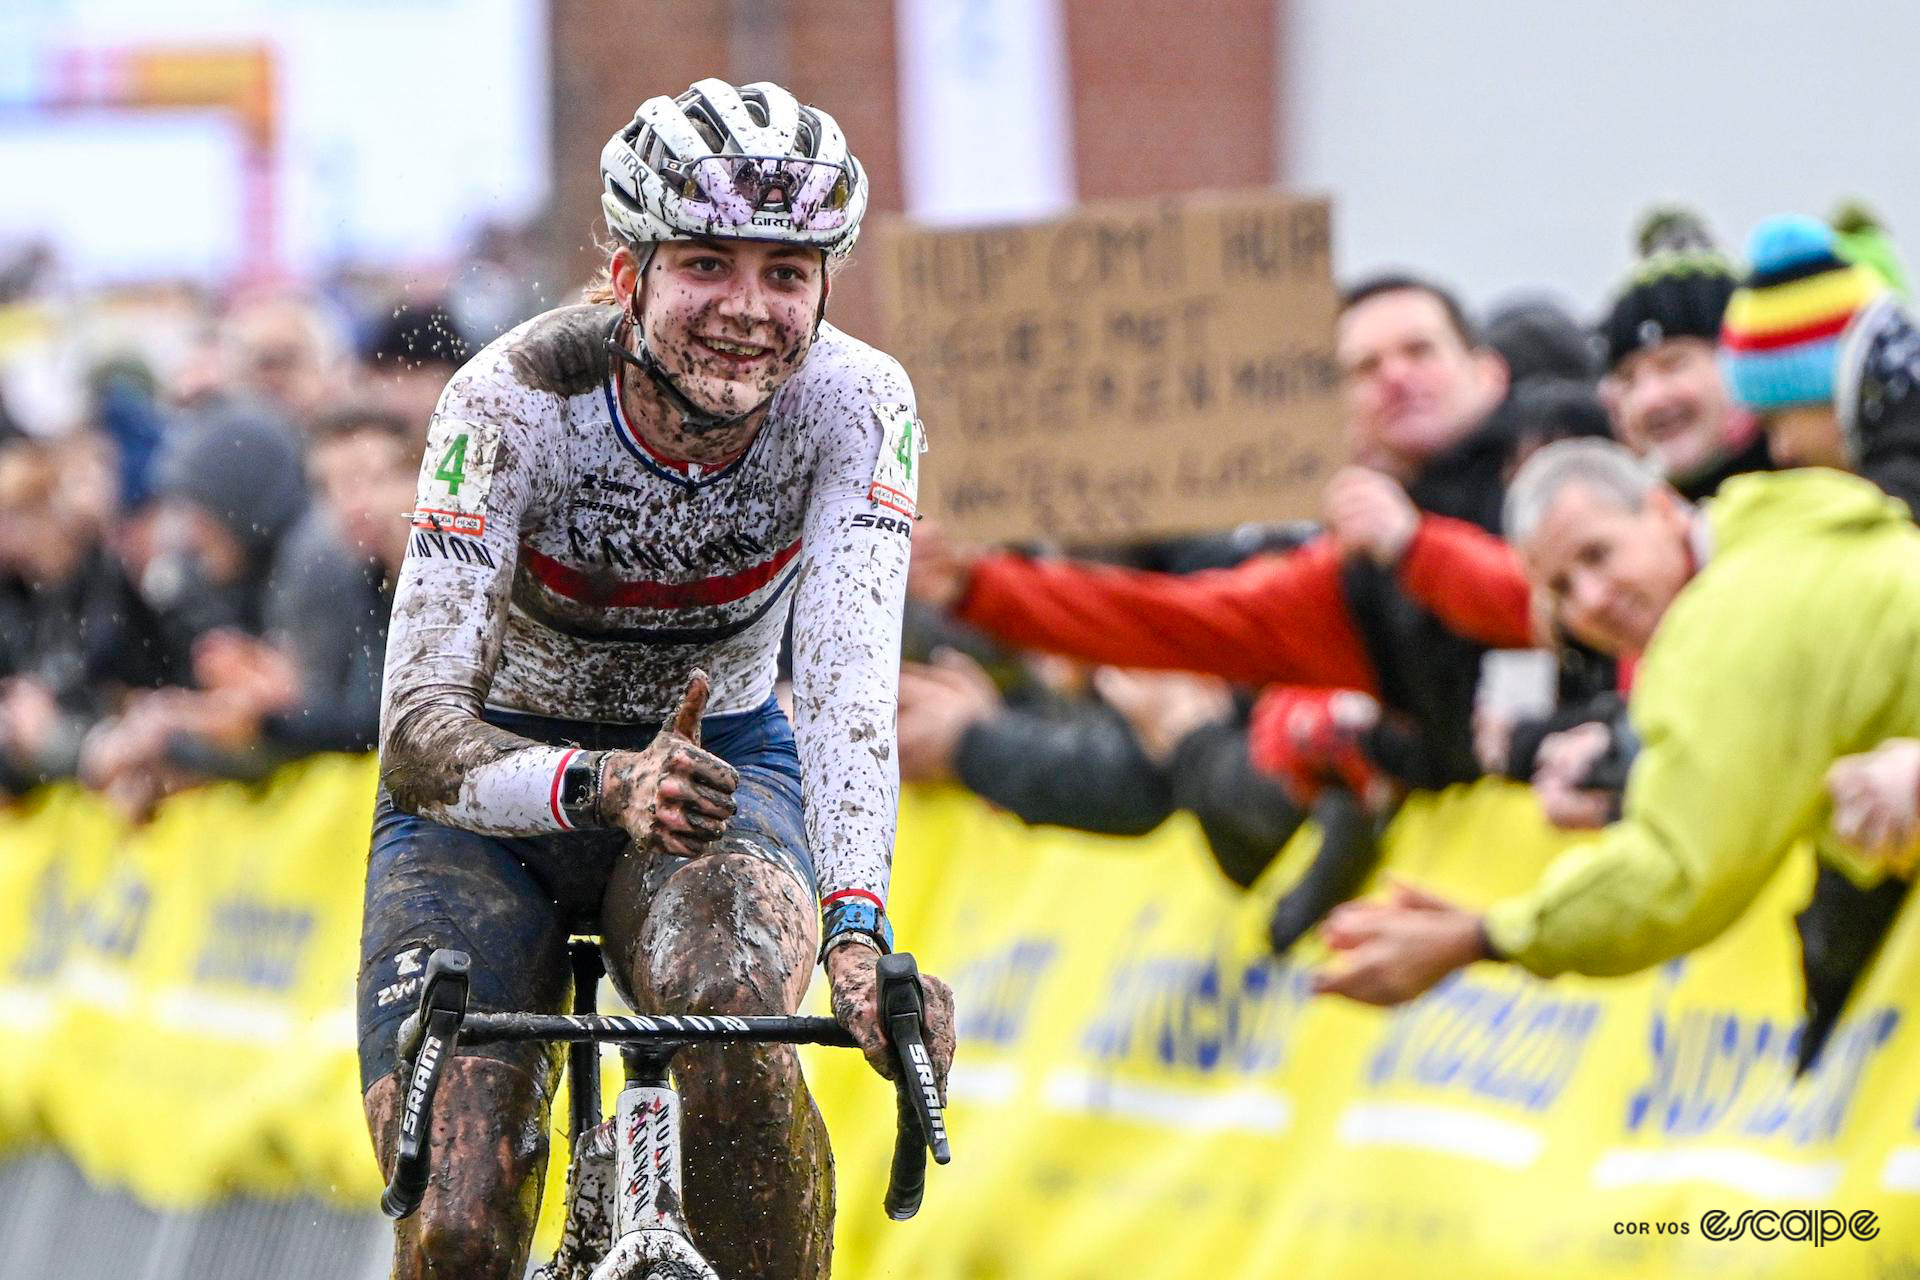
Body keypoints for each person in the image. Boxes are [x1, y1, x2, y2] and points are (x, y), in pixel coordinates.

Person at [358, 79, 955, 1280]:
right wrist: (600, 779)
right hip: (492, 799)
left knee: (735, 1025)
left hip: (719, 779)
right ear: (628, 273)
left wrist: (856, 932)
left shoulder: (860, 400)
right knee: (464, 1214)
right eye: (706, 264)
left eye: (788, 274)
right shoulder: (512, 397)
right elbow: (419, 734)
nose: (748, 310)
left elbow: (843, 691)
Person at [1313, 441, 1920, 1024]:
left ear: (1660, 508)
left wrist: (1484, 935)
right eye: (1561, 590)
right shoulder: (1785, 526)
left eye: (1598, 554)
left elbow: (1678, 872)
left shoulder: (1723, 621)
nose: (1594, 600)